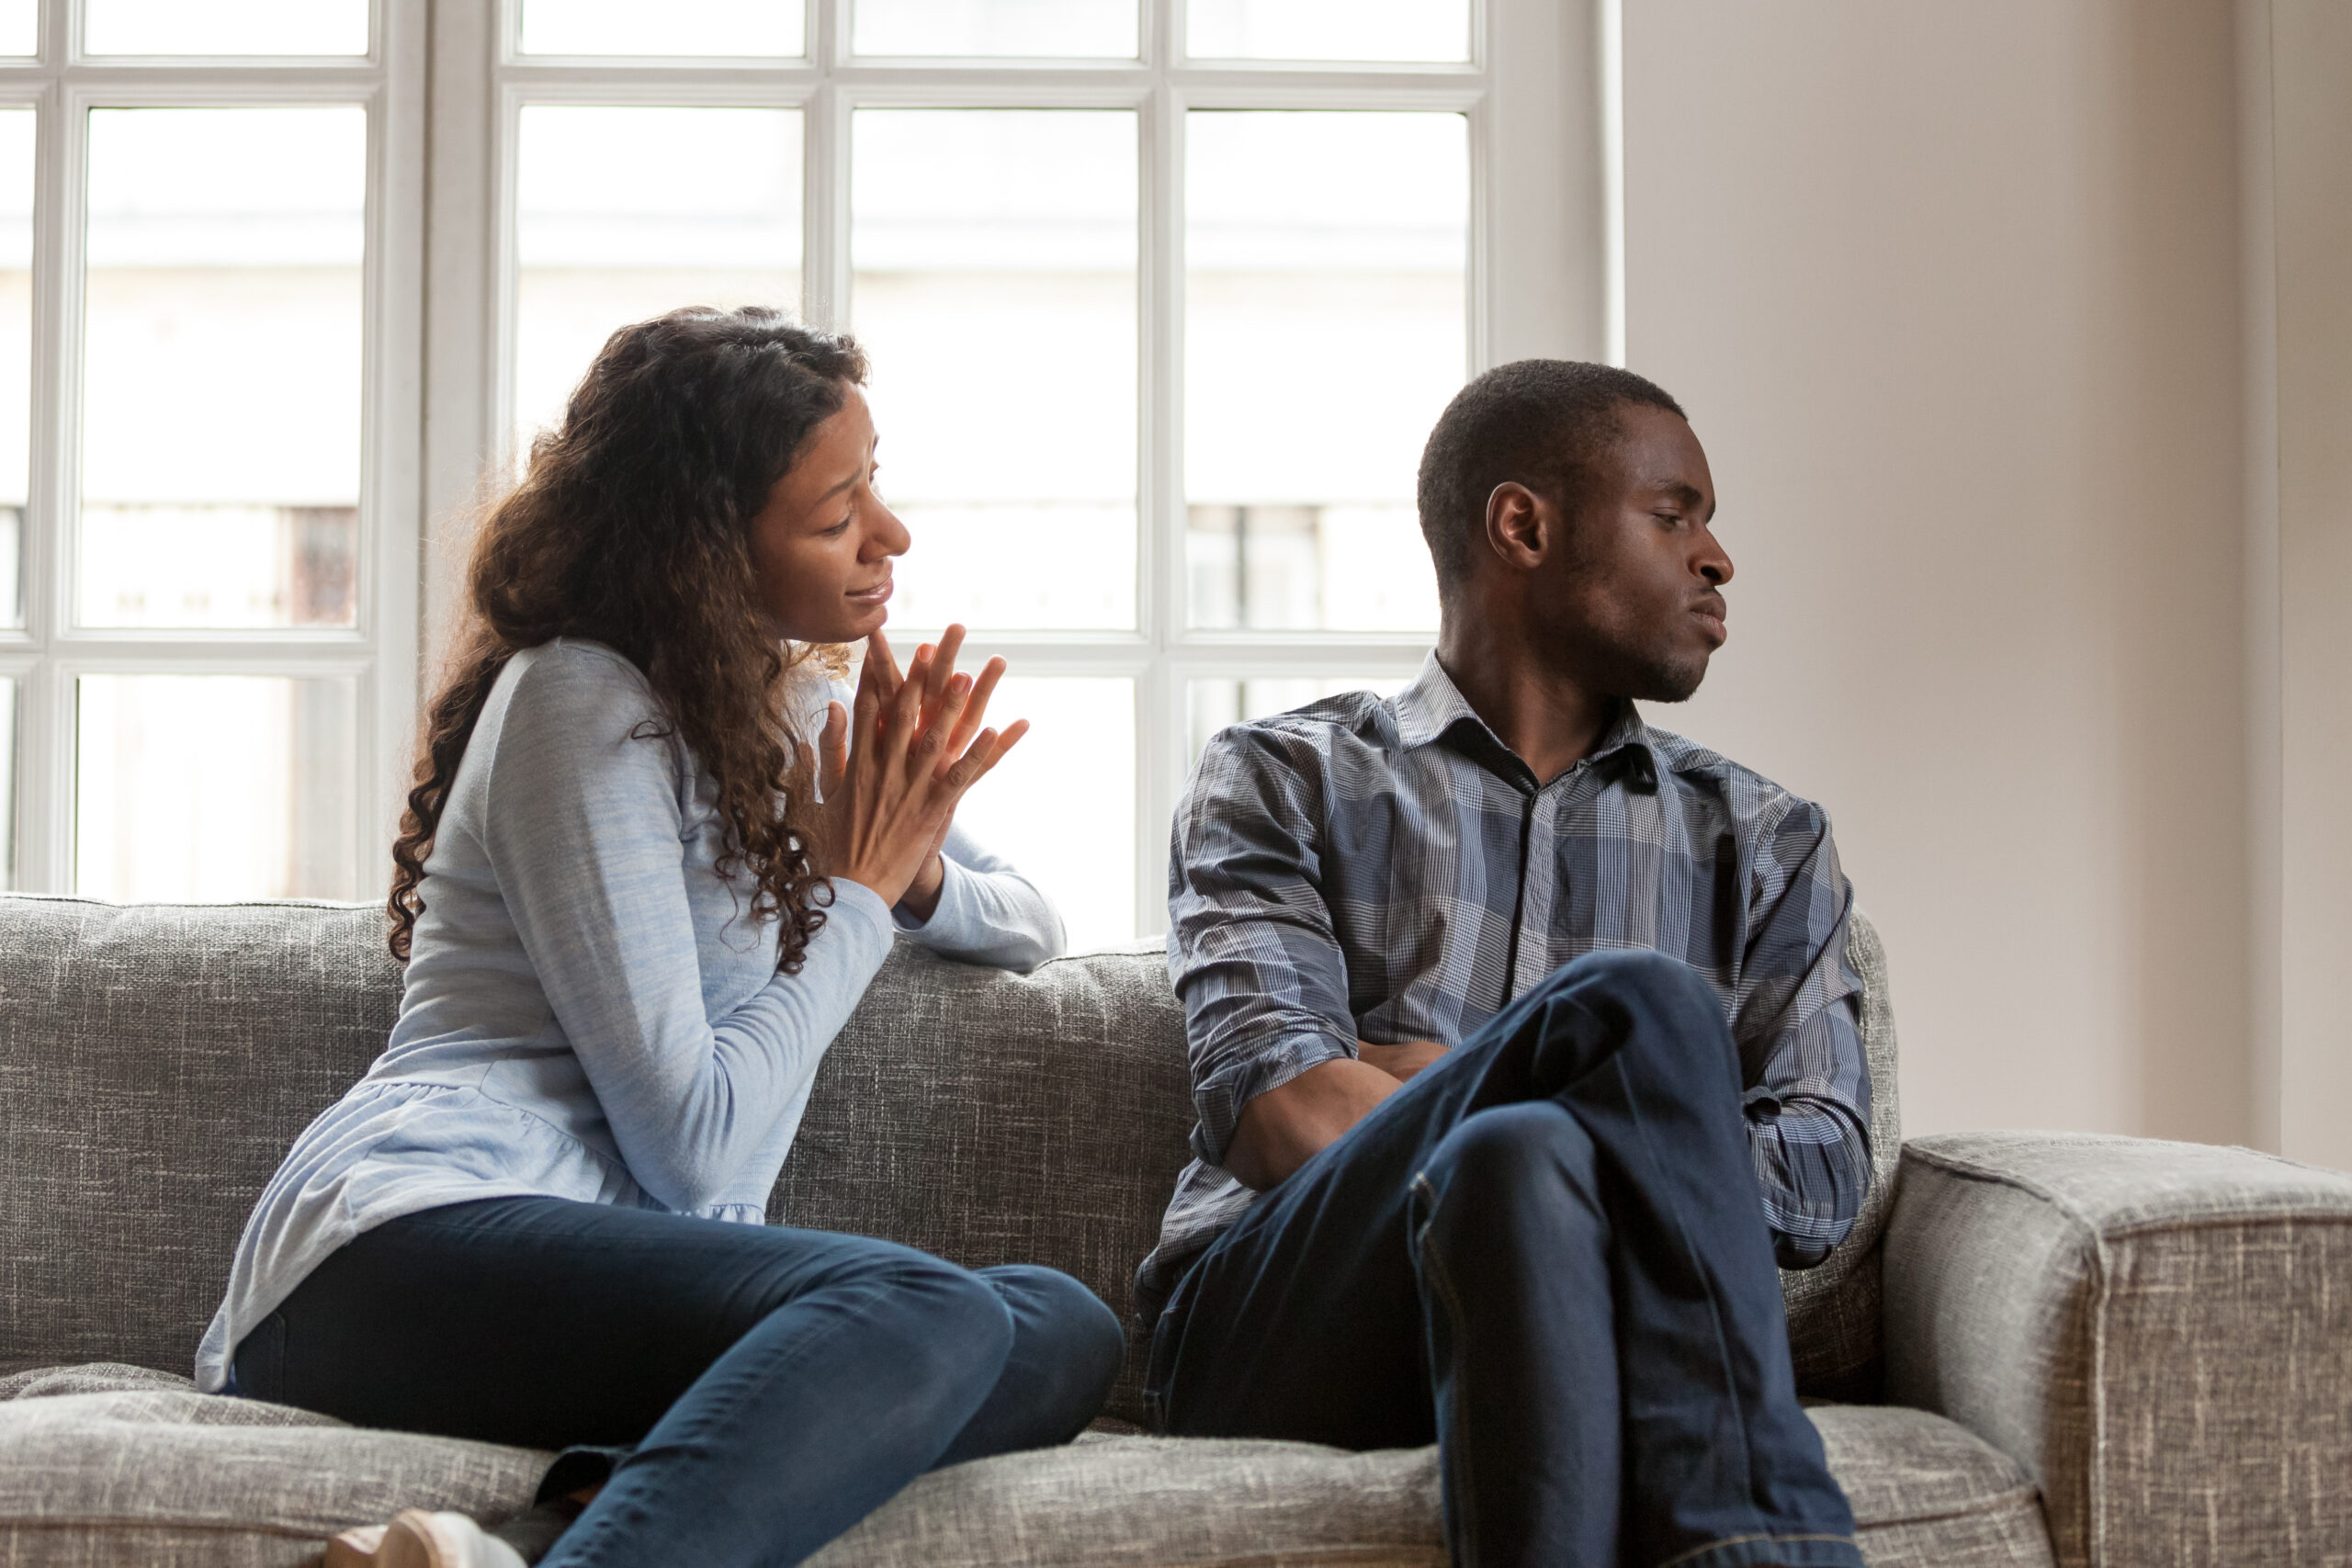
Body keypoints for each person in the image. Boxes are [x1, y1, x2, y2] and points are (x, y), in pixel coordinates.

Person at [197, 308, 1125, 1568]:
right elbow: (693, 1154)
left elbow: (1029, 922)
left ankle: (529, 1544)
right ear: (707, 546)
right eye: (838, 510)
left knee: (1060, 1324)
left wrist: (901, 872)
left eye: (875, 486)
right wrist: (854, 891)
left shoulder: (785, 716)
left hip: (585, 1281)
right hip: (394, 1251)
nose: (890, 535)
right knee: (919, 1304)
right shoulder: (581, 703)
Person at [1141, 360, 1873, 1568]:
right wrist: (1645, 1103)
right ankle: (1768, 1538)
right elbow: (1283, 1114)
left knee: (1516, 1153)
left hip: (1579, 1295)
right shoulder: (1284, 779)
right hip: (1277, 1326)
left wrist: (1452, 1077)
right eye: (1674, 513)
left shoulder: (1766, 841)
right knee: (1638, 1008)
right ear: (1523, 525)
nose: (1718, 557)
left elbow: (1823, 1179)